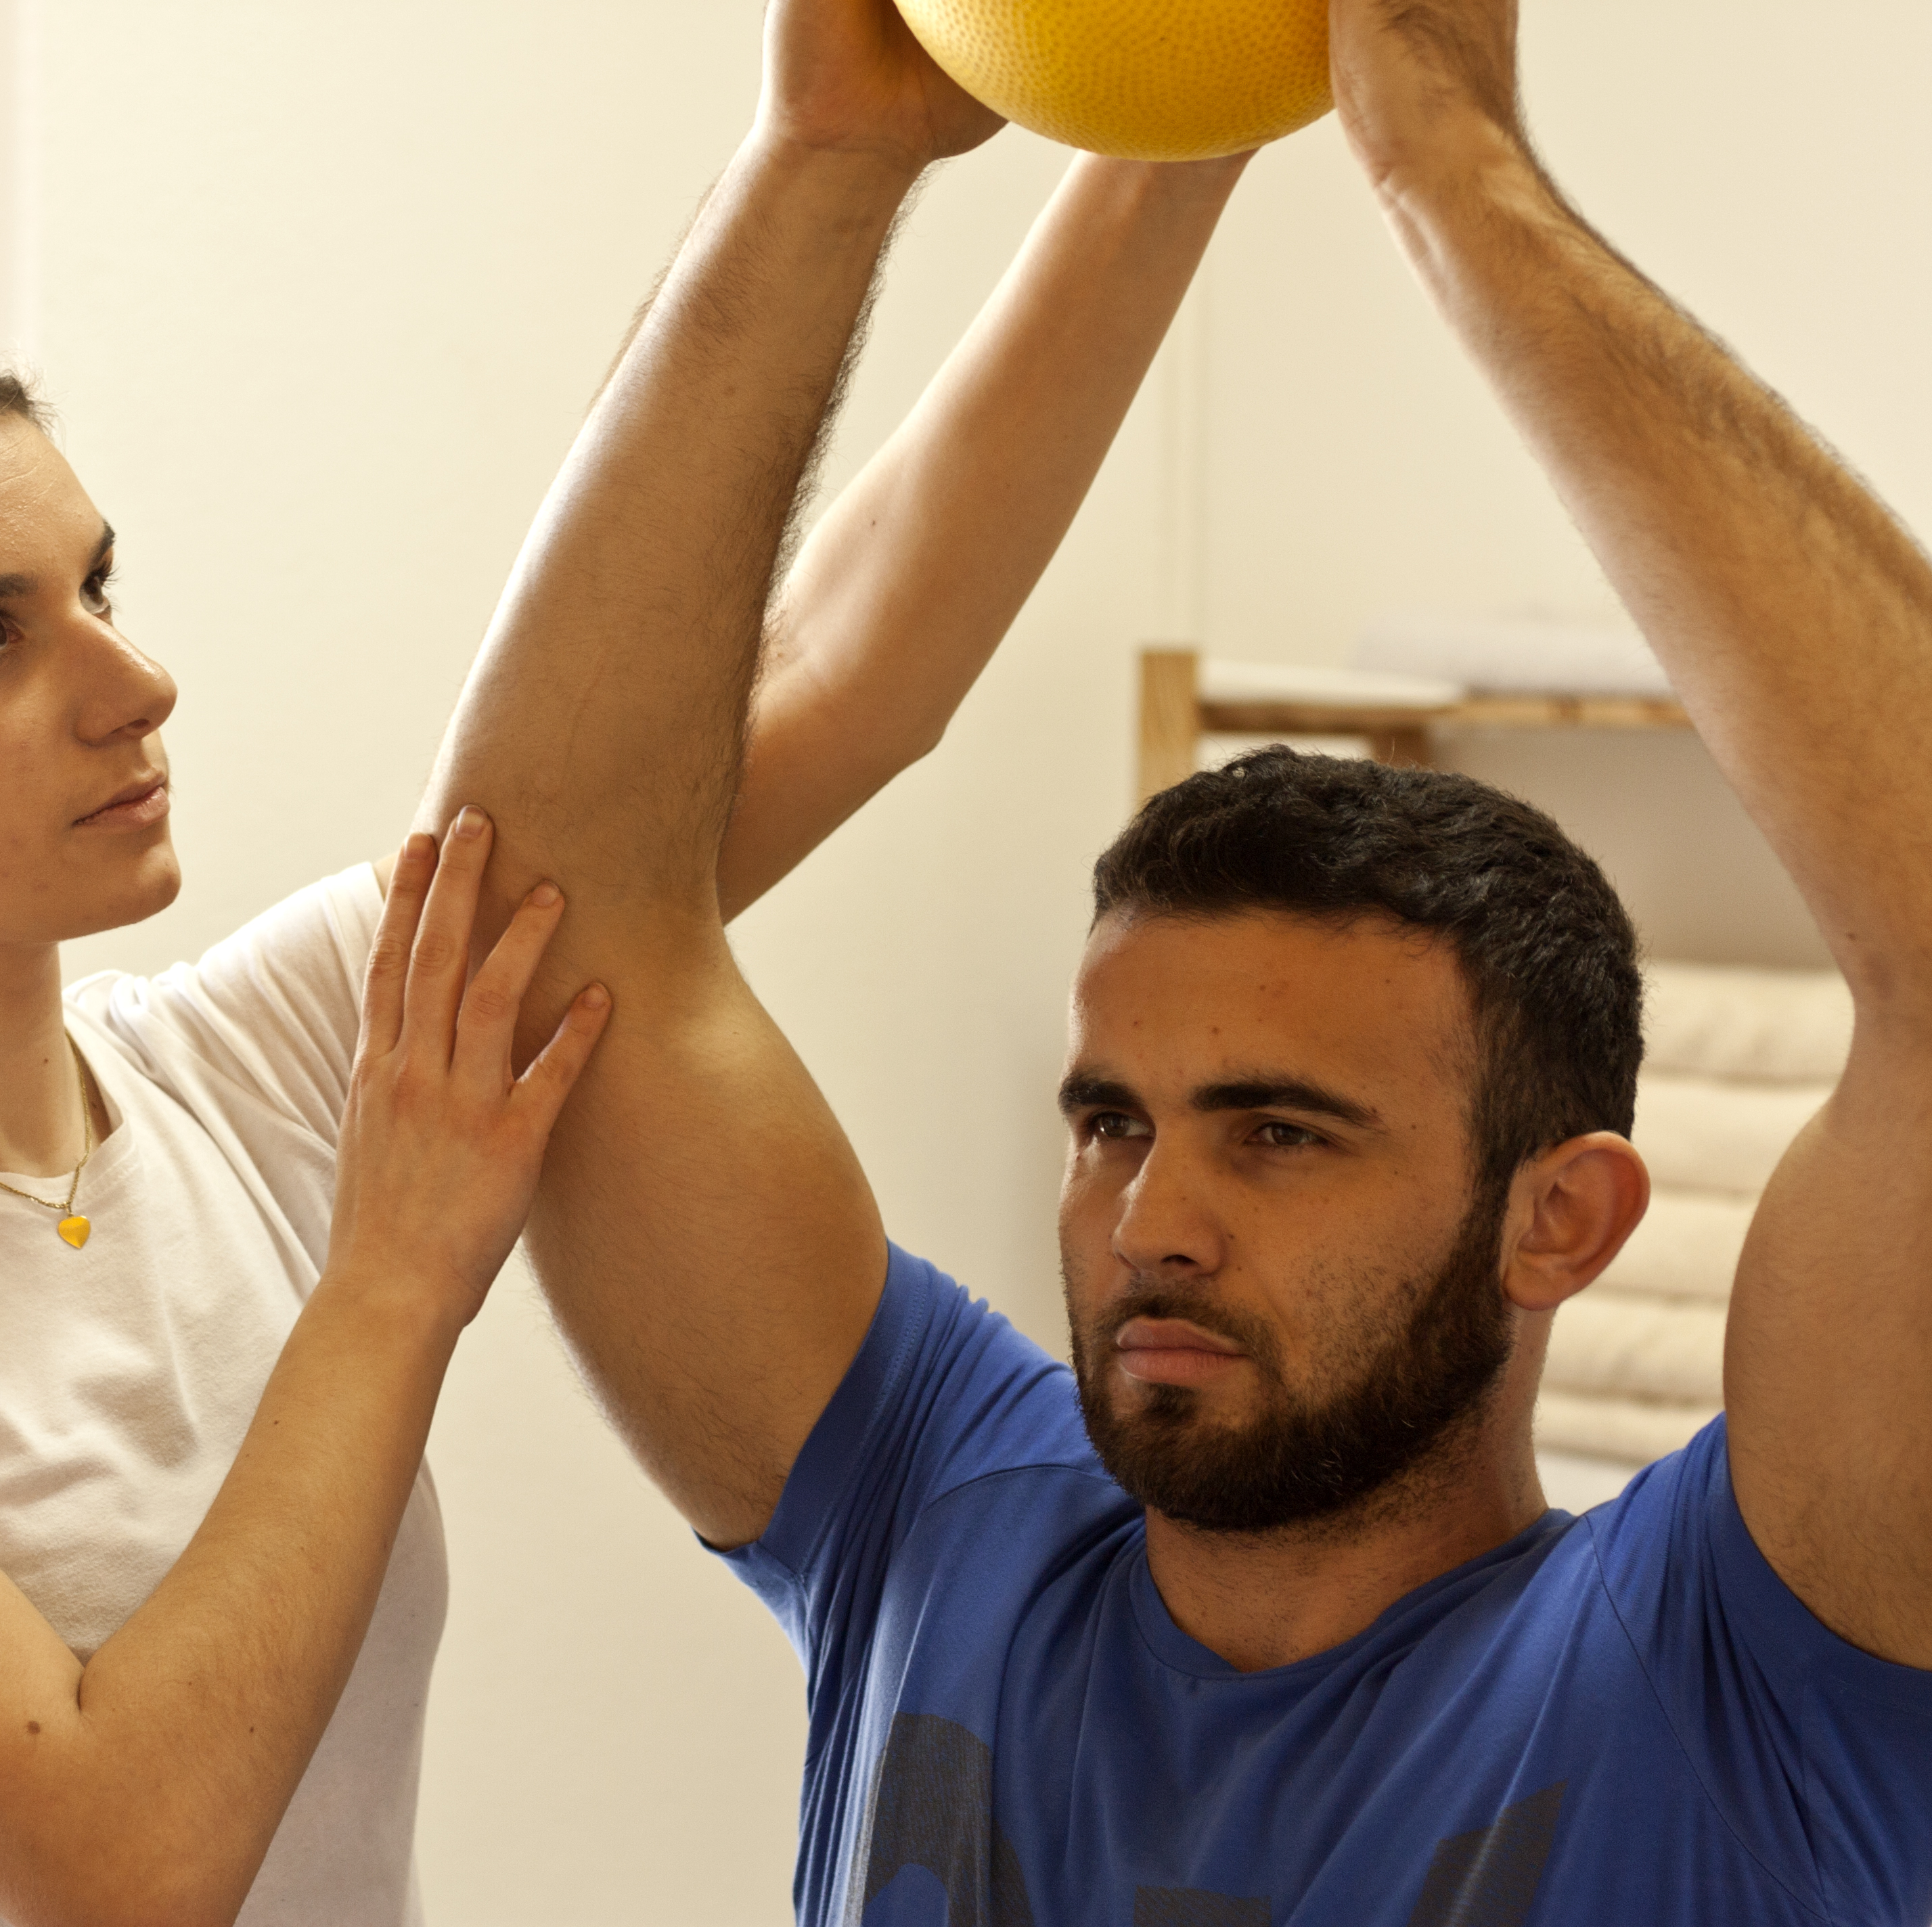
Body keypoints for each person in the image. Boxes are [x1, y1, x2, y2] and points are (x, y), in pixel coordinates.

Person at [0, 41, 1246, 1927]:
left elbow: (837, 662)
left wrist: (1184, 116)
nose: (131, 681)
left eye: (97, 586)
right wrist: (396, 1272)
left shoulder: (254, 1061)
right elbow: (127, 1859)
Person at [421, 0, 1932, 1920]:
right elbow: (535, 919)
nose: (1154, 1221)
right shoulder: (940, 1516)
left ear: (1564, 1217)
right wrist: (822, 157)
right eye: (1111, 1121)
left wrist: (1450, 170)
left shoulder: (1742, 1672)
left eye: (1280, 1133)